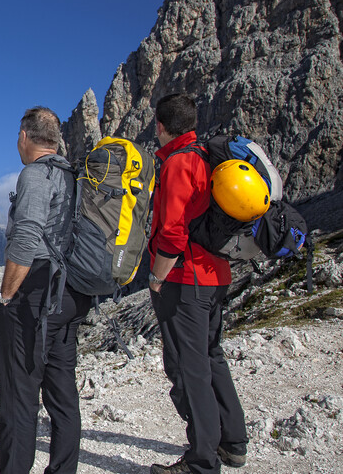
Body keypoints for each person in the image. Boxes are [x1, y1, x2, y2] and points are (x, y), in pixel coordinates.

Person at [147, 94, 249, 474]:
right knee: (210, 356)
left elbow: (172, 232)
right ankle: (233, 442)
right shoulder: (207, 157)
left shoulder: (177, 163)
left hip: (185, 279)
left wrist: (157, 278)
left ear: (160, 126)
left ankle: (202, 461)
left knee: (190, 369)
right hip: (216, 276)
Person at [0, 107, 93, 474]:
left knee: (19, 396)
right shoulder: (73, 175)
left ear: (24, 137)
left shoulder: (35, 175)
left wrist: (6, 296)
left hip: (36, 294)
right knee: (62, 392)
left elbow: (25, 236)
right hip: (71, 294)